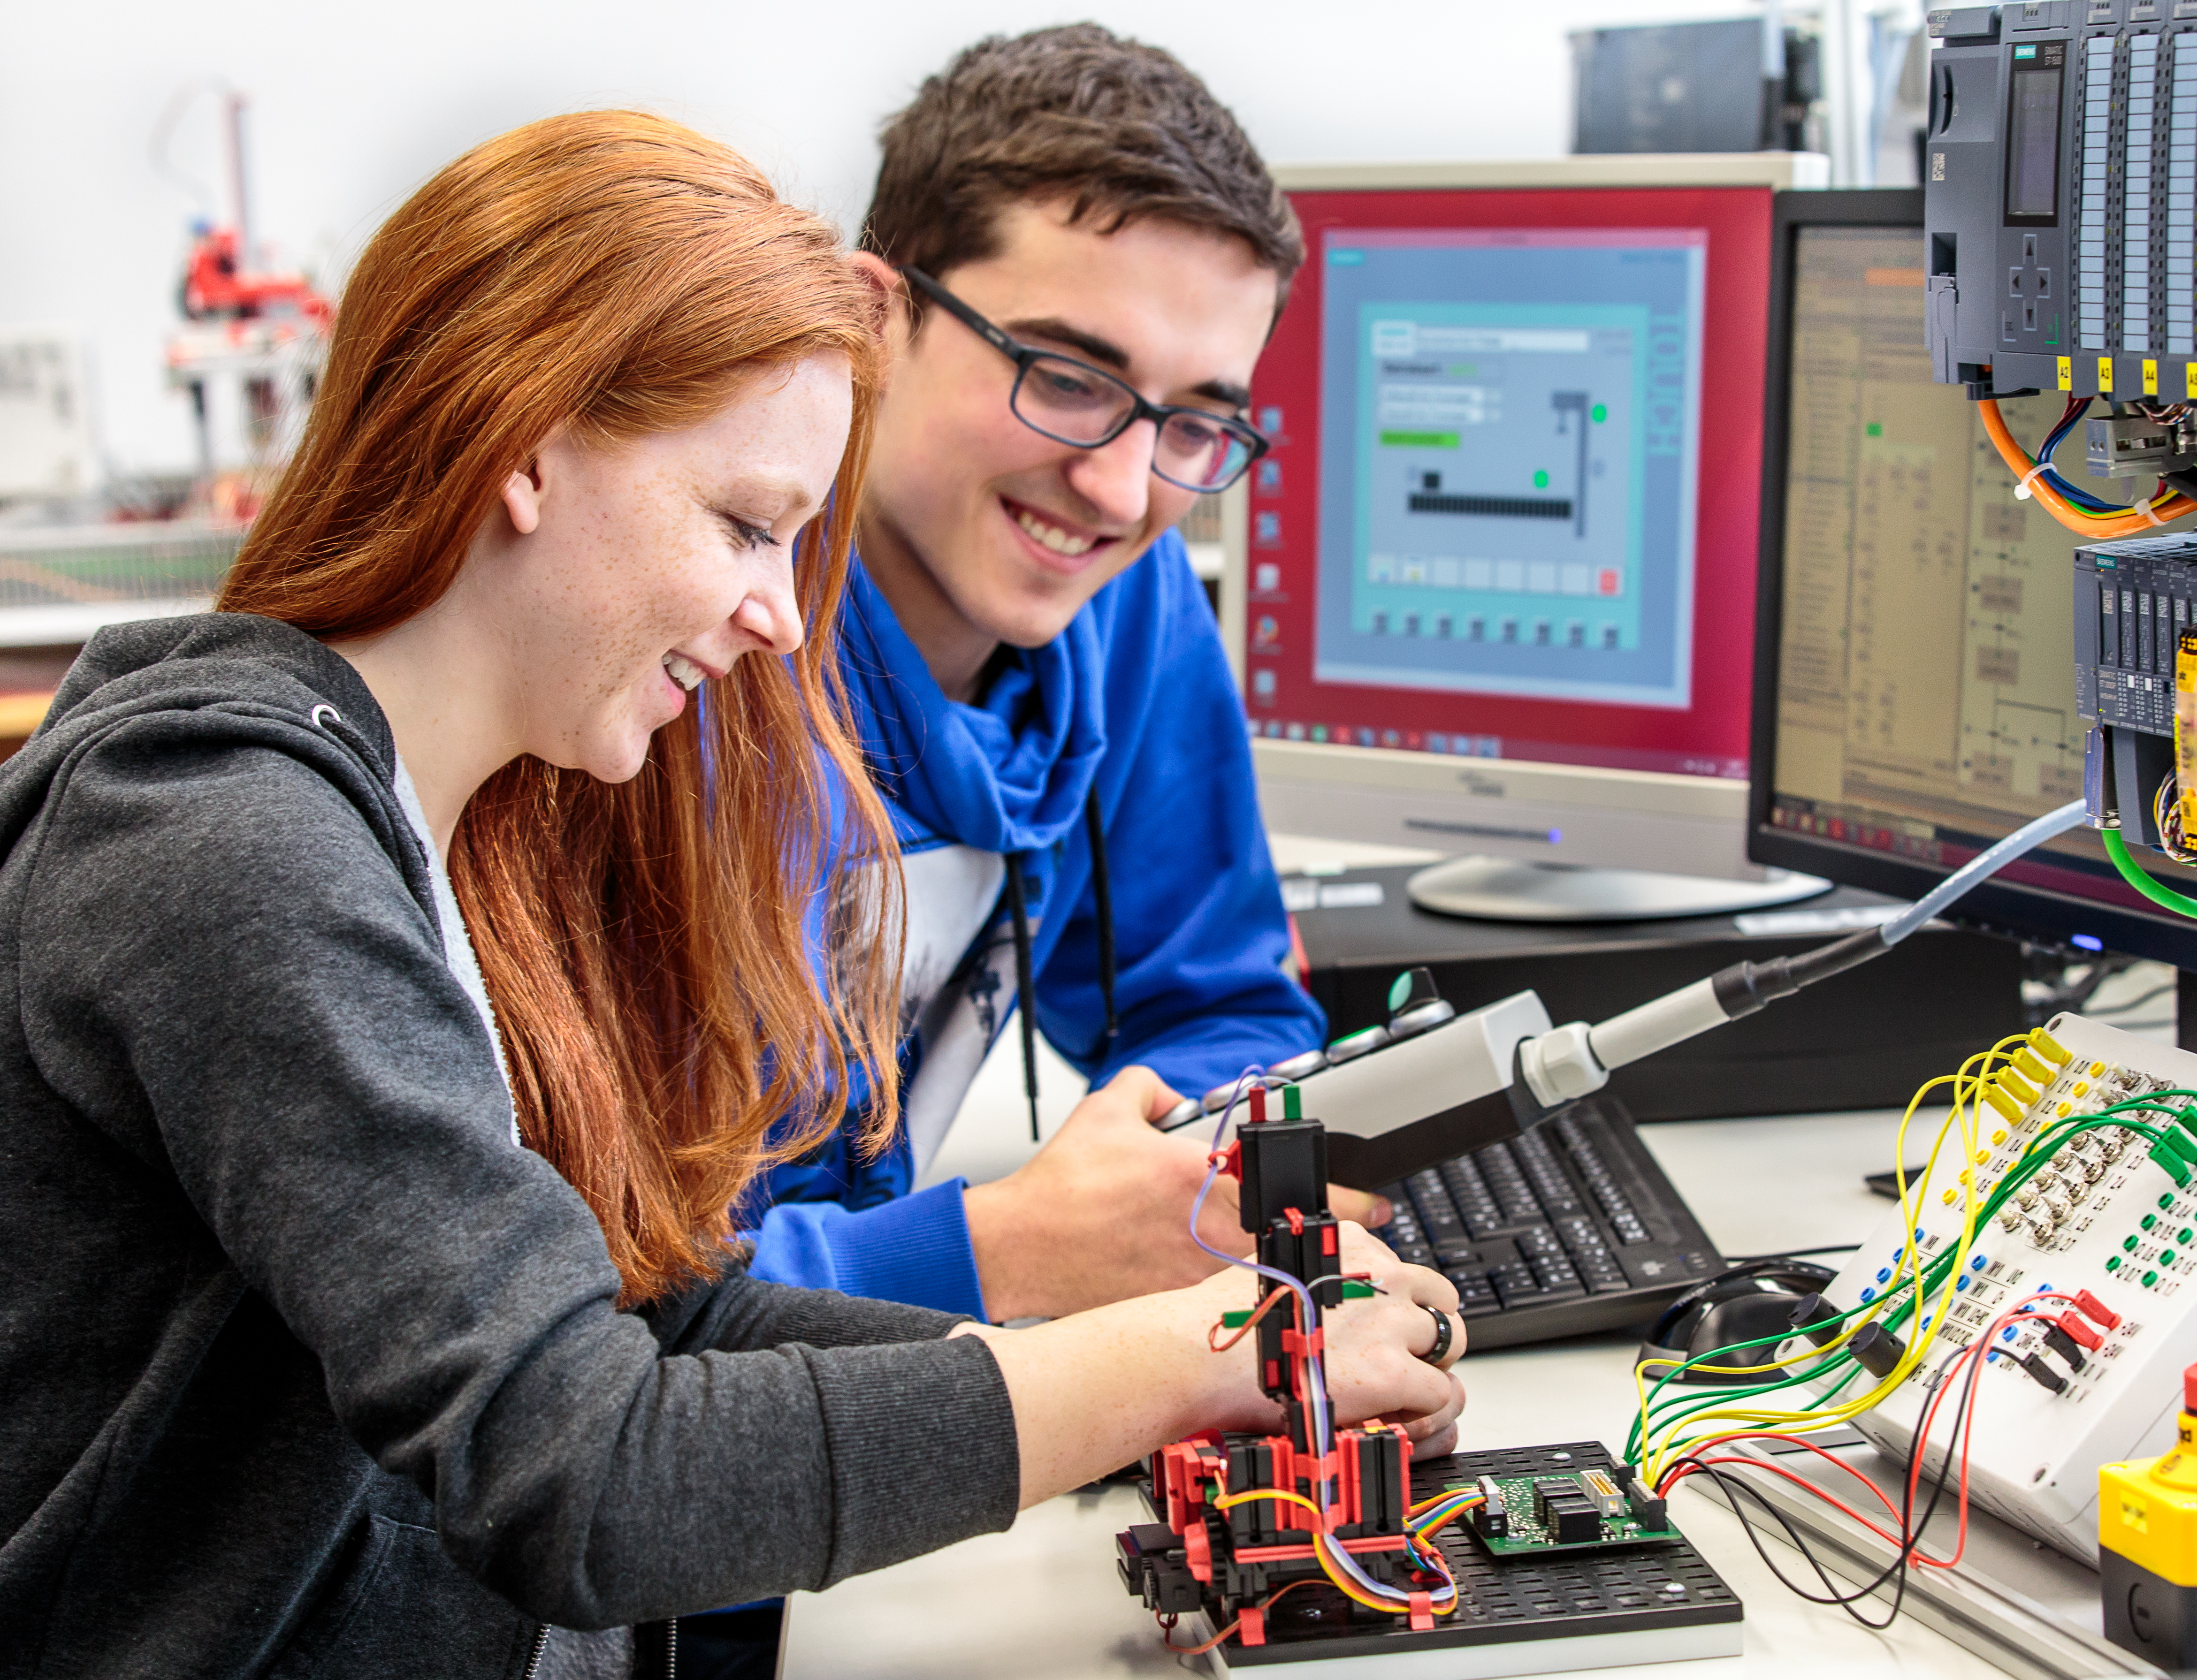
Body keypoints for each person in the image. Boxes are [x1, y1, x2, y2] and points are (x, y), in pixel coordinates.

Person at [0, 111, 1464, 1680]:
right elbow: (584, 1470)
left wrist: (1196, 1362)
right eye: (747, 526)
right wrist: (1165, 1358)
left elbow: (648, 1320)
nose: (783, 617)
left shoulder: (427, 810)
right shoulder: (226, 846)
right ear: (525, 450)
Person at [741, 24, 1365, 1331]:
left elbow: (1222, 1006)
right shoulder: (693, 645)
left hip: (854, 1396)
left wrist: (1183, 1183)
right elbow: (562, 1313)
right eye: (1067, 378)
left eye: (1195, 420)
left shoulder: (1119, 607)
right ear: (873, 318)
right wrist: (1004, 1250)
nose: (1124, 491)